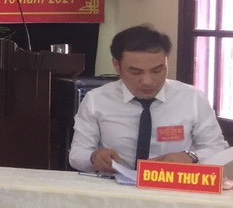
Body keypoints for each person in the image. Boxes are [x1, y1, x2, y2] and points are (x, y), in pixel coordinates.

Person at [69, 25, 229, 173]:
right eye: (136, 72)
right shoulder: (96, 100)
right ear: (117, 66)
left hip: (174, 186)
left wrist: (191, 156)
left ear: (166, 62)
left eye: (157, 70)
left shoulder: (192, 98)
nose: (148, 81)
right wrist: (94, 157)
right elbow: (77, 155)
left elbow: (217, 150)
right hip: (114, 185)